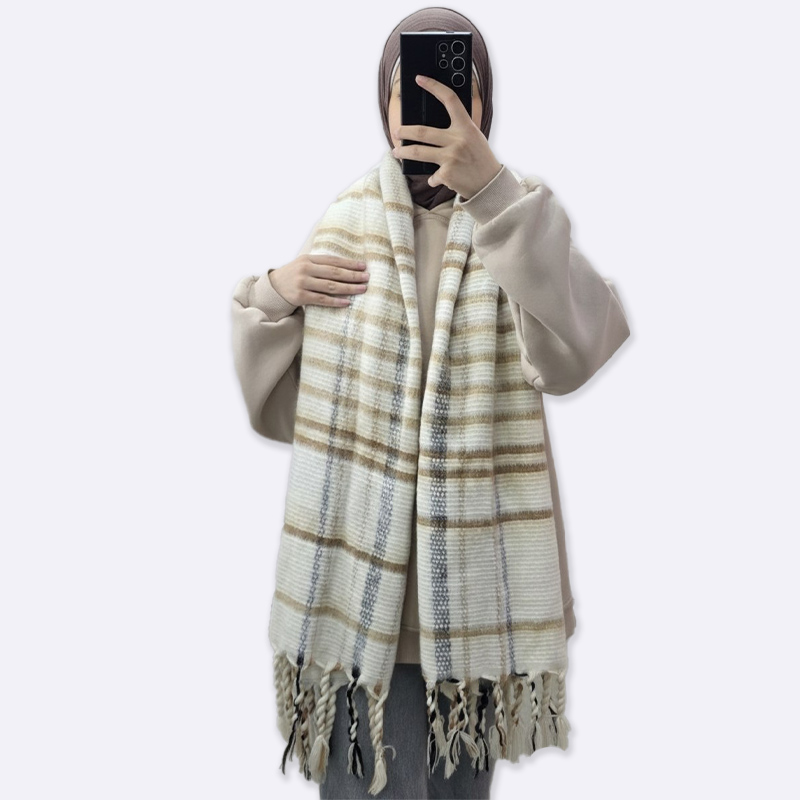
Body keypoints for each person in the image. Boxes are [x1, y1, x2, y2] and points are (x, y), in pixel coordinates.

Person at [231, 7, 630, 799]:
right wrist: (274, 294)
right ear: (382, 104)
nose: (428, 105)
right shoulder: (348, 225)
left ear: (484, 103)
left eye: (455, 85)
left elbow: (582, 349)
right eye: (404, 88)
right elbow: (285, 414)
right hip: (356, 610)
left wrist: (495, 193)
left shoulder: (519, 221)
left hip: (474, 614)